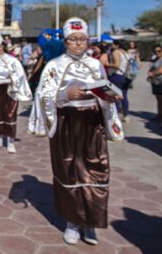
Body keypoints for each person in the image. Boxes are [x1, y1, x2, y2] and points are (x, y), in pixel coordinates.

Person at [35, 17, 124, 246]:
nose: (77, 44)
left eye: (82, 39)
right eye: (72, 39)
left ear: (88, 41)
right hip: (67, 123)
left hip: (92, 124)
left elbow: (105, 91)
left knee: (96, 169)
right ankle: (72, 222)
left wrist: (111, 98)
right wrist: (65, 95)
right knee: (69, 171)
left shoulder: (95, 66)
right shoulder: (54, 66)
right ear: (65, 41)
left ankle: (91, 223)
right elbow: (43, 95)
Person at [0, 35, 32, 153]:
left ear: (1, 47)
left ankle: (11, 142)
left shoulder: (12, 61)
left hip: (10, 90)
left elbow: (20, 76)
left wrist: (10, 79)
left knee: (10, 115)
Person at [108, 40, 132, 122]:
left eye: (113, 44)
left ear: (116, 45)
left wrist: (107, 64)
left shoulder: (116, 52)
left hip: (117, 75)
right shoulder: (125, 53)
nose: (111, 46)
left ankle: (116, 116)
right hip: (125, 76)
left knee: (116, 96)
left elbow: (116, 65)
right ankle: (126, 115)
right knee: (124, 96)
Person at [148, 45, 162, 122]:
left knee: (161, 99)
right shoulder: (155, 59)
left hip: (160, 81)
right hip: (155, 81)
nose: (157, 53)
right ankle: (159, 115)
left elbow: (160, 71)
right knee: (158, 99)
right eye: (155, 51)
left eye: (159, 51)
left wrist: (152, 74)